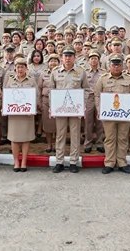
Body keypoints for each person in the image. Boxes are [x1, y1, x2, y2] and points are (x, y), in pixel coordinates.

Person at [94, 53, 130, 174]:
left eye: (118, 65)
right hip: (108, 114)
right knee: (110, 139)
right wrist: (99, 109)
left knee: (123, 138)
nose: (116, 67)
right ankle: (109, 163)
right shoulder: (103, 79)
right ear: (109, 66)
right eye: (114, 65)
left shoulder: (129, 79)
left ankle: (122, 162)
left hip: (124, 114)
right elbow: (97, 95)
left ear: (122, 66)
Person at [50, 45, 89, 173]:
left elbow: (86, 90)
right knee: (60, 135)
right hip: (60, 109)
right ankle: (59, 161)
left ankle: (73, 161)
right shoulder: (55, 72)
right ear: (62, 57)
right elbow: (51, 91)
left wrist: (83, 105)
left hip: (75, 109)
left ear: (74, 57)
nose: (67, 58)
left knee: (75, 134)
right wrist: (51, 107)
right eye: (65, 56)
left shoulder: (81, 72)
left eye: (70, 56)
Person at [4, 58, 39, 172]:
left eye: (22, 67)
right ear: (15, 68)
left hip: (27, 114)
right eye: (18, 67)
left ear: (26, 68)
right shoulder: (10, 80)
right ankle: (16, 162)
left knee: (25, 139)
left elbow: (36, 95)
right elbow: (6, 95)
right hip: (14, 114)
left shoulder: (31, 81)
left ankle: (24, 162)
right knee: (14, 139)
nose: (20, 69)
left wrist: (34, 107)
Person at [84, 50, 105, 153]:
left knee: (99, 122)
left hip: (100, 98)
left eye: (95, 58)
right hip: (88, 98)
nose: (93, 60)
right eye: (91, 58)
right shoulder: (84, 72)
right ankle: (88, 143)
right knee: (88, 122)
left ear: (98, 60)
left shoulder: (103, 72)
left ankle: (99, 143)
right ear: (88, 60)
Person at [39, 54, 60, 153]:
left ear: (59, 63)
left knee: (58, 125)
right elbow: (39, 88)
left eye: (55, 61)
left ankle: (57, 144)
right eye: (51, 61)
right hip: (46, 101)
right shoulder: (43, 73)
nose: (53, 63)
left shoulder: (61, 73)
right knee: (47, 125)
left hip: (58, 102)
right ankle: (49, 144)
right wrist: (39, 102)